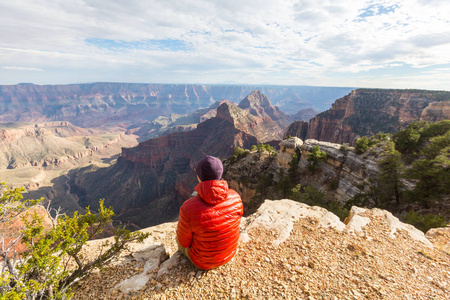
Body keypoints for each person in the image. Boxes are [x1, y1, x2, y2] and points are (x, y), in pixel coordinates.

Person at [176, 155, 244, 270]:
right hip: (229, 254)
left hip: (203, 262)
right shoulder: (235, 197)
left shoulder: (188, 208)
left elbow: (183, 242)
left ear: (199, 177)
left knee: (178, 235)